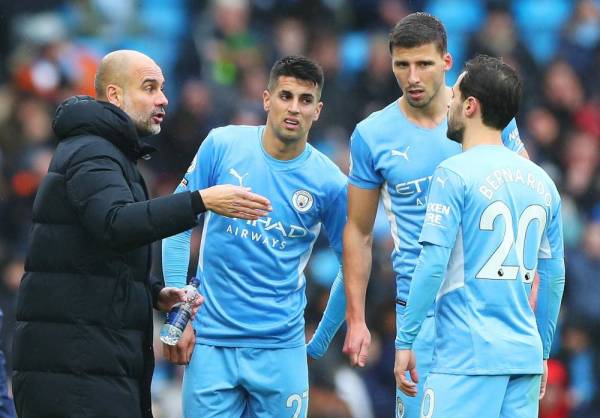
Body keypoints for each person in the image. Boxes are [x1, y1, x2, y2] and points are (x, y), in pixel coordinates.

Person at [12, 50, 271, 418]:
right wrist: (200, 200)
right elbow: (115, 224)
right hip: (75, 373)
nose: (163, 98)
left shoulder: (107, 152)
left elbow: (93, 253)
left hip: (90, 363)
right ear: (115, 95)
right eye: (149, 88)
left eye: (163, 88)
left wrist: (153, 293)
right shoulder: (92, 151)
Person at [341, 12, 528, 417]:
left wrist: (526, 283)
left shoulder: (483, 115)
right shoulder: (373, 135)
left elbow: (523, 194)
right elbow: (357, 232)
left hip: (487, 306)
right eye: (401, 65)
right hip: (420, 313)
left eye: (423, 64)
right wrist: (356, 319)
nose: (412, 77)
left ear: (446, 62)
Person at [162, 55, 347, 418]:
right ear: (266, 99)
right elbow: (177, 222)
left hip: (280, 348)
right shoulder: (222, 145)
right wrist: (178, 315)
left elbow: (354, 265)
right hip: (211, 342)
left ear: (318, 110)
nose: (294, 108)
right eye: (285, 96)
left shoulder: (330, 182)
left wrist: (321, 339)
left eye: (305, 100)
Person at [395, 55, 565, 417]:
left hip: (465, 360)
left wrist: (405, 339)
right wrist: (544, 351)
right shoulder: (544, 184)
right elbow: (552, 277)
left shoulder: (453, 173)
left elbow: (433, 262)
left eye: (454, 95)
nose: (449, 104)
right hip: (523, 360)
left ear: (470, 106)